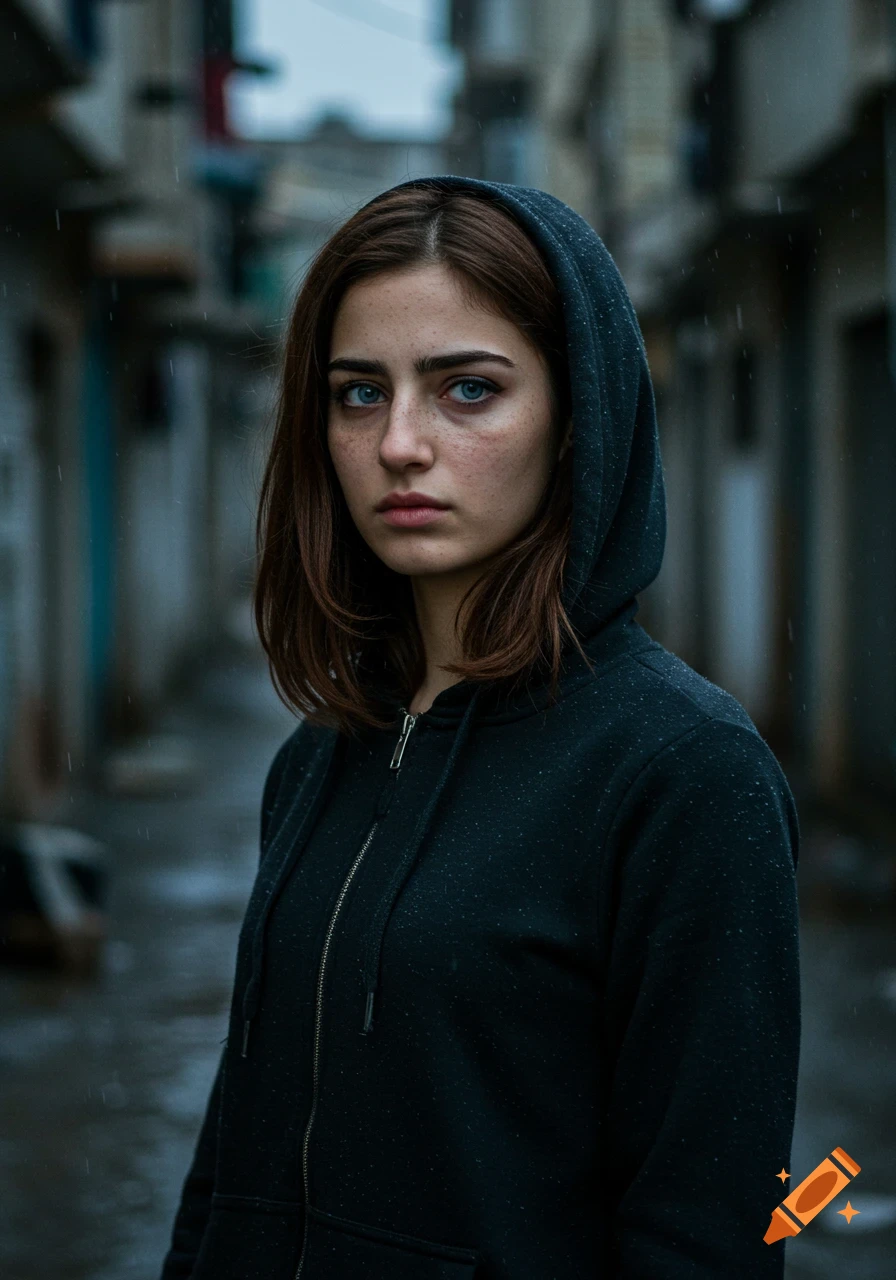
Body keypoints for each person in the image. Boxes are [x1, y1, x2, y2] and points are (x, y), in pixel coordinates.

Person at [159, 176, 801, 1280]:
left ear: (573, 417)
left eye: (466, 389)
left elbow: (710, 1224)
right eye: (359, 394)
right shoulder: (316, 758)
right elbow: (231, 1154)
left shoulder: (684, 770)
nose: (399, 442)